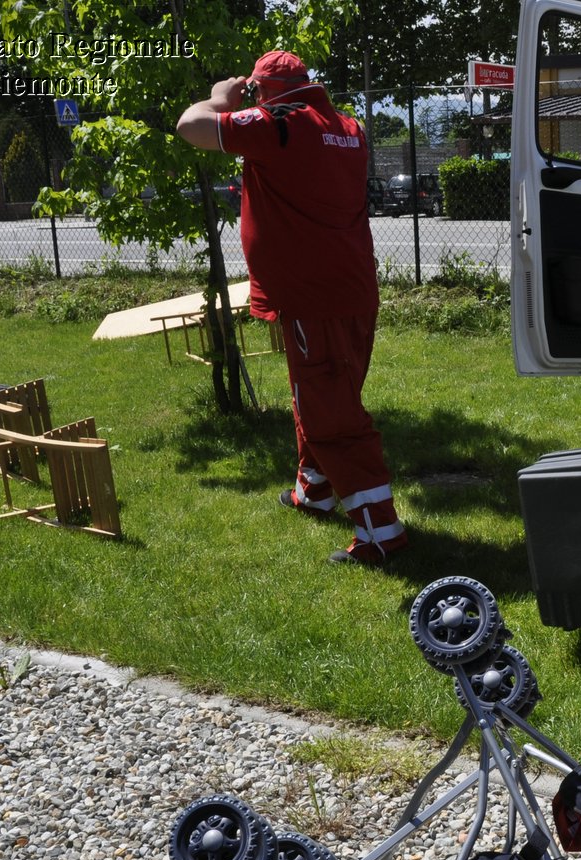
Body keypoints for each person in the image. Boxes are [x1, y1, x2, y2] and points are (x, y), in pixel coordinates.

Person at [176, 51, 406, 565]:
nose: (253, 100)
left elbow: (190, 126)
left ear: (266, 91)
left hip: (314, 295)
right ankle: (315, 491)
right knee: (317, 391)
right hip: (347, 290)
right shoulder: (348, 127)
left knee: (332, 413)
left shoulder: (281, 125)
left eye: (257, 93)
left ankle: (380, 533)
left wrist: (220, 99)